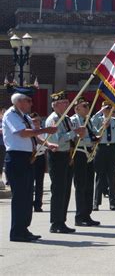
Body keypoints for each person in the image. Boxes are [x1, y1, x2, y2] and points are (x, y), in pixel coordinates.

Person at [3, 91, 58, 242]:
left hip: (27, 158)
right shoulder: (11, 114)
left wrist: (48, 144)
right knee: (20, 196)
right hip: (16, 158)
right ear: (20, 101)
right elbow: (23, 133)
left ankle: (24, 229)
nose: (31, 104)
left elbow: (34, 136)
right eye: (29, 101)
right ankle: (17, 232)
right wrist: (45, 130)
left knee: (27, 196)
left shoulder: (24, 116)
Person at [46, 91, 86, 234]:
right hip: (56, 156)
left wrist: (78, 135)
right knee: (58, 190)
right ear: (55, 105)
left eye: (67, 103)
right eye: (64, 103)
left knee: (66, 190)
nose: (67, 105)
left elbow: (70, 138)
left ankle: (61, 221)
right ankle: (55, 222)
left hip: (67, 155)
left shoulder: (67, 119)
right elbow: (57, 139)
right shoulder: (54, 120)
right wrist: (74, 132)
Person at [70, 97, 100, 226]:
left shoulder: (89, 121)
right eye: (85, 106)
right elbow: (75, 139)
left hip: (89, 154)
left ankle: (87, 214)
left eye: (88, 105)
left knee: (89, 185)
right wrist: (90, 140)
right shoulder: (73, 120)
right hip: (80, 153)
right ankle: (79, 216)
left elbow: (92, 134)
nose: (88, 108)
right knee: (81, 185)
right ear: (77, 108)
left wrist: (97, 137)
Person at [92, 101, 115, 211]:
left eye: (109, 108)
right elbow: (91, 122)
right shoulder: (98, 120)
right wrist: (101, 111)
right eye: (105, 108)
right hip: (101, 149)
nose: (107, 110)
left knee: (112, 177)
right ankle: (96, 202)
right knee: (100, 177)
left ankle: (112, 203)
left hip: (112, 150)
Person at [29, 112, 47, 212]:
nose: (36, 123)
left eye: (38, 121)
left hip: (40, 157)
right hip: (31, 158)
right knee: (30, 182)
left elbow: (44, 145)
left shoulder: (43, 132)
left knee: (40, 182)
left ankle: (38, 204)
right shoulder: (29, 132)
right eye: (34, 121)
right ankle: (29, 203)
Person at [0, 107, 7, 190]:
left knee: (1, 163)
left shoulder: (5, 122)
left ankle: (0, 179)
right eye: (2, 113)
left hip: (4, 145)